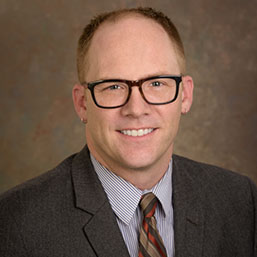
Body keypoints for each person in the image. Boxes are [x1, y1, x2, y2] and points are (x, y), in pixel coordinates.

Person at [0, 7, 256, 257]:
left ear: (185, 95)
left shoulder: (241, 201)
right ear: (82, 103)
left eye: (156, 83)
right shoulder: (14, 223)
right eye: (113, 86)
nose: (136, 108)